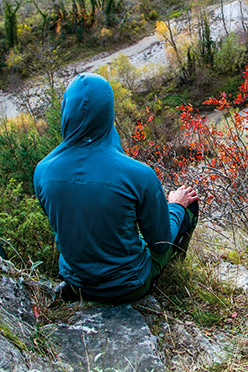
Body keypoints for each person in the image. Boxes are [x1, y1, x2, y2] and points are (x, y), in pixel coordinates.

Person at [34, 72, 199, 303]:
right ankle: (175, 272)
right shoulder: (139, 174)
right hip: (128, 287)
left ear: (66, 112)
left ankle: (73, 287)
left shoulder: (43, 171)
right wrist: (176, 206)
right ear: (108, 114)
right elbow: (160, 241)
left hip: (76, 282)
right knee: (188, 205)